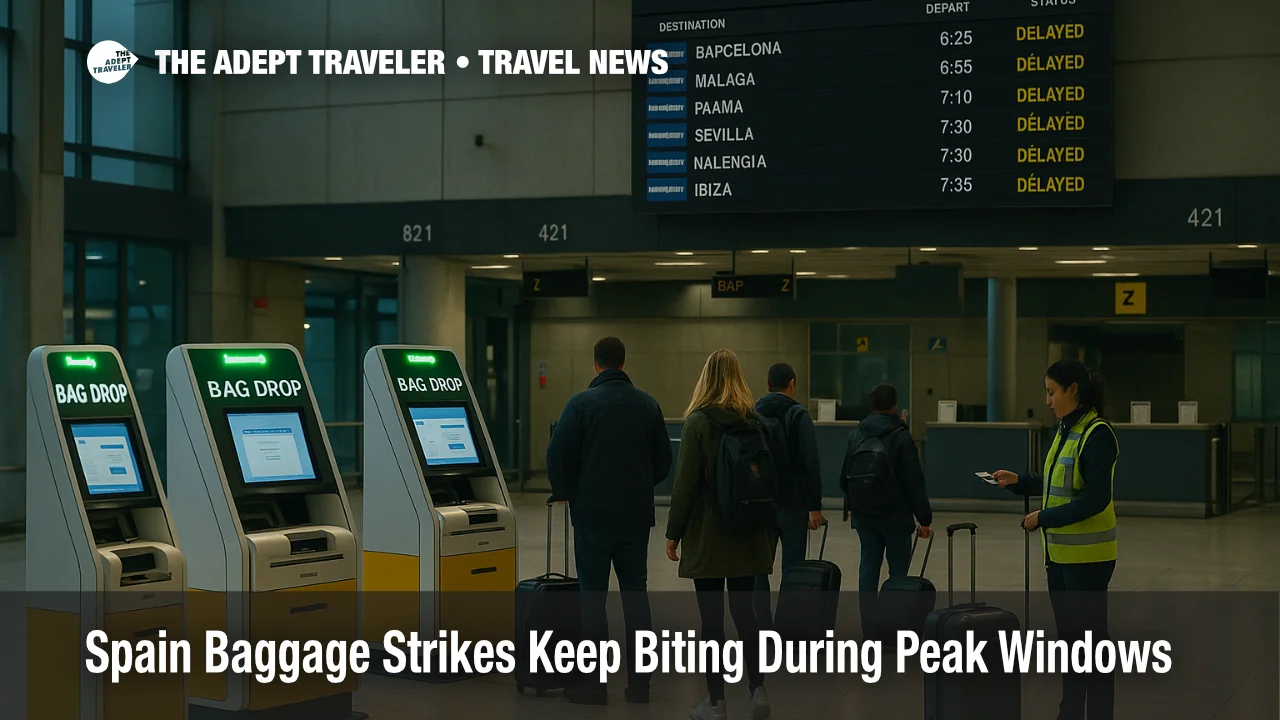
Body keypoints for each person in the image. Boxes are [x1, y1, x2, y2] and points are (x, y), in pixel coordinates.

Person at [546, 336, 672, 705]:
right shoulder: (647, 405)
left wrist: (567, 490)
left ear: (596, 364)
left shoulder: (581, 404)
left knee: (592, 601)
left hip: (592, 518)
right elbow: (664, 461)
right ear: (623, 361)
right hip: (634, 519)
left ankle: (594, 685)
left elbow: (557, 453)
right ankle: (640, 686)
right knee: (636, 598)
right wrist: (638, 484)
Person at [989, 359, 1117, 720]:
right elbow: (1054, 485)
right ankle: (1071, 711)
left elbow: (1095, 498)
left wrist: (1043, 518)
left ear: (1072, 390)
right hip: (1060, 557)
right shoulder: (1064, 430)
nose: (1047, 400)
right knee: (1071, 643)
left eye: (1051, 392)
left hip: (1089, 560)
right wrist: (1019, 481)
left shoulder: (1098, 434)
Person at [666, 349, 774, 720]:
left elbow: (685, 486)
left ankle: (716, 702)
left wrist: (673, 533)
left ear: (704, 378)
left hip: (709, 535)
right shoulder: (755, 422)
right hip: (747, 533)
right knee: (747, 615)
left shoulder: (697, 423)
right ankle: (757, 691)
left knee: (711, 621)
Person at [839, 383, 932, 641]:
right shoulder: (901, 436)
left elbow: (843, 479)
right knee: (898, 572)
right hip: (896, 517)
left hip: (865, 517)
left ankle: (869, 628)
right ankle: (895, 627)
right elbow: (914, 482)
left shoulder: (856, 435)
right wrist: (924, 518)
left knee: (868, 568)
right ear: (895, 406)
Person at [752, 362, 825, 629]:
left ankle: (761, 624)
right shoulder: (798, 416)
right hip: (793, 505)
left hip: (760, 504)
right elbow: (810, 462)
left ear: (768, 385)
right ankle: (788, 625)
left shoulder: (753, 415)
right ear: (792, 383)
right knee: (793, 569)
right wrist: (814, 506)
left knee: (759, 568)